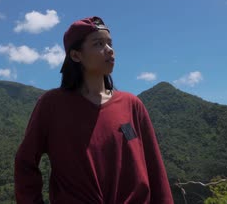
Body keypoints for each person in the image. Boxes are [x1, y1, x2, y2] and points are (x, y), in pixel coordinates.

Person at [14, 16, 173, 203]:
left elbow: (155, 171)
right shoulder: (52, 105)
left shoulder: (132, 105)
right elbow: (25, 163)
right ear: (76, 55)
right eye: (98, 44)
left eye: (110, 43)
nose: (110, 50)